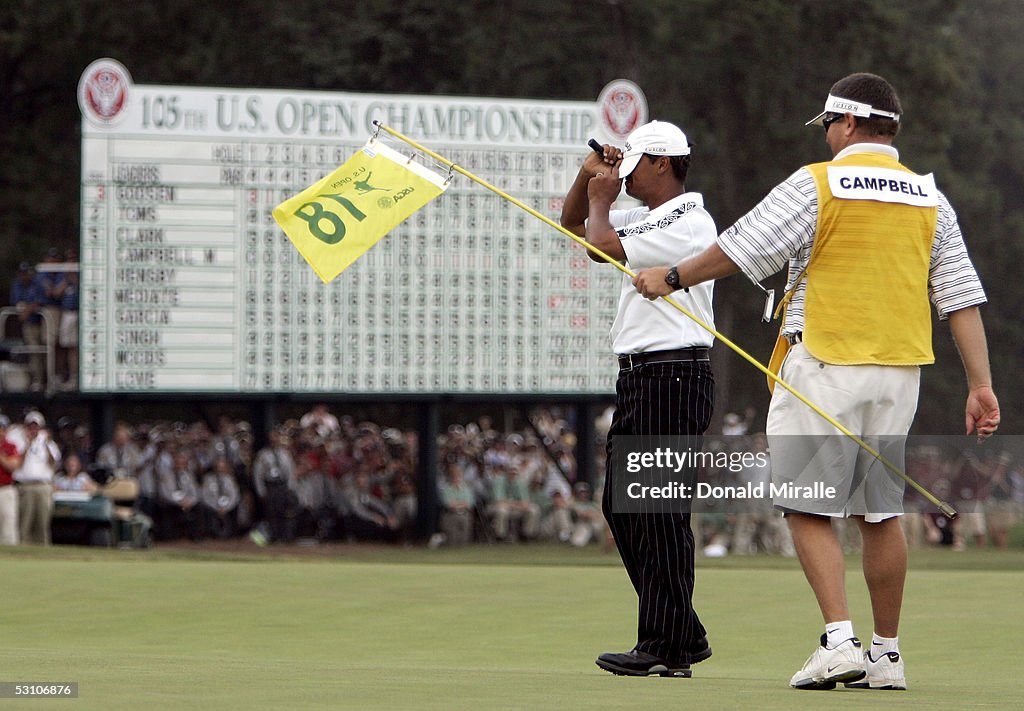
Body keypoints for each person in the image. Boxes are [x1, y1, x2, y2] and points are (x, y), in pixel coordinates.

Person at [632, 73, 1001, 691]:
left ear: (848, 122)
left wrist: (670, 278)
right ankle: (886, 655)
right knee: (879, 511)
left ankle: (838, 641)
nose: (827, 135)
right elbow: (961, 297)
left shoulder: (819, 182)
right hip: (899, 372)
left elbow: (742, 249)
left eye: (830, 124)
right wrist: (980, 385)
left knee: (804, 504)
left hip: (825, 362)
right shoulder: (930, 197)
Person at [560, 120, 717, 677]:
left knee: (657, 511)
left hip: (672, 375)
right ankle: (680, 634)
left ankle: (665, 643)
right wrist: (587, 179)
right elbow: (575, 226)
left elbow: (602, 243)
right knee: (624, 507)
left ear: (662, 163)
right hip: (644, 378)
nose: (623, 178)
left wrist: (602, 198)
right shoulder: (650, 218)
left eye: (633, 167)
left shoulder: (686, 220)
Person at [10, 411, 61, 544]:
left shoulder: (47, 442)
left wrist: (46, 443)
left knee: (43, 521)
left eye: (36, 427)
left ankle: (42, 546)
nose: (33, 430)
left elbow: (53, 463)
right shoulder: (18, 440)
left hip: (43, 485)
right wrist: (28, 444)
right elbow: (18, 464)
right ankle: (23, 546)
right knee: (25, 521)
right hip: (25, 486)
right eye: (30, 427)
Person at [8, 261, 46, 390]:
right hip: (29, 324)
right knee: (33, 351)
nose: (24, 276)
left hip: (43, 322)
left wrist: (28, 309)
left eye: (26, 273)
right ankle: (37, 380)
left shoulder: (37, 284)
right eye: (22, 273)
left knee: (46, 350)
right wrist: (25, 309)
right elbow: (16, 302)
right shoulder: (17, 285)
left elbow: (39, 301)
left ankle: (46, 379)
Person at [0, 415, 23, 545]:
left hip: (5, 488)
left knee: (8, 523)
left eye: (2, 428)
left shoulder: (10, 446)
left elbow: (13, 466)